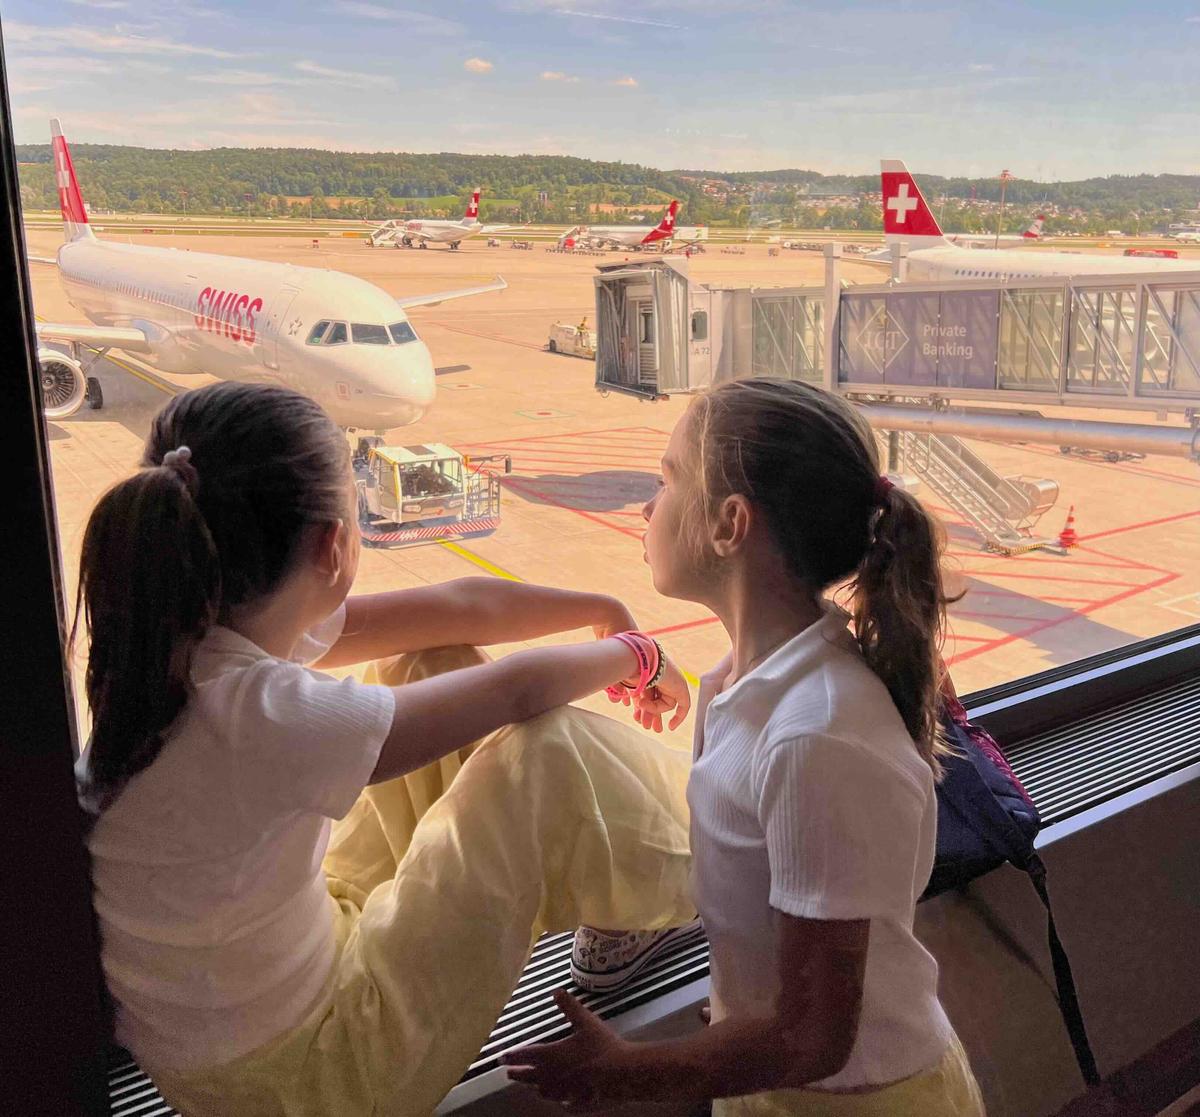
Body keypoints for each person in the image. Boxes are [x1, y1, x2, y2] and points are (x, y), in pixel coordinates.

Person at [73, 381, 698, 1116]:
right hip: (316, 1079)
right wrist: (637, 656)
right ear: (334, 545)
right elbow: (514, 693)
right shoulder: (262, 717)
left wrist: (601, 610)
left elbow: (458, 610)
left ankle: (635, 878)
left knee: (421, 664)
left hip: (258, 1017)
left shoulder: (181, 641)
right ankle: (712, 865)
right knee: (551, 757)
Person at [507, 378, 986, 1116]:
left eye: (667, 479)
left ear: (731, 523)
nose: (647, 504)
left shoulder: (813, 735)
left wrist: (634, 1071)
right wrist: (743, 1014)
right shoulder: (742, 682)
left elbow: (816, 1036)